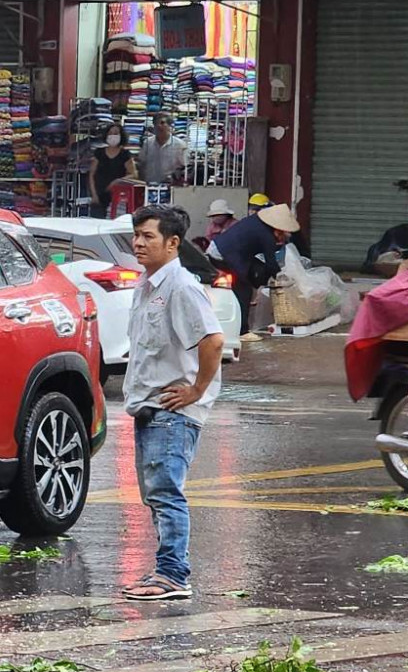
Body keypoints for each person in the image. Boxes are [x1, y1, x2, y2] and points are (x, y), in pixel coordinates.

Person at [121, 204, 223, 601]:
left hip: (172, 411)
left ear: (173, 242)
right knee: (156, 494)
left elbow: (213, 341)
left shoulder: (181, 287)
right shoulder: (146, 287)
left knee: (166, 492)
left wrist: (196, 391)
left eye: (148, 236)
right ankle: (166, 571)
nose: (138, 243)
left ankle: (173, 575)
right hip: (149, 406)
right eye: (137, 235)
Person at [216, 202, 298, 341]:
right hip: (223, 255)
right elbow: (271, 263)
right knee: (244, 290)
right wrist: (280, 278)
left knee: (256, 272)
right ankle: (242, 331)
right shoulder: (266, 235)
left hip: (228, 251)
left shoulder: (256, 222)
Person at [90, 122, 138, 214]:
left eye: (116, 133)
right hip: (98, 195)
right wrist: (94, 195)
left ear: (121, 136)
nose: (113, 136)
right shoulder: (99, 152)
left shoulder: (125, 154)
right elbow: (92, 174)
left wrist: (117, 181)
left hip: (117, 195)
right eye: (110, 133)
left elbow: (134, 174)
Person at [139, 116, 185, 187]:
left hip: (171, 186)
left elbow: (184, 167)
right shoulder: (147, 143)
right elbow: (142, 164)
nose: (159, 125)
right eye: (156, 123)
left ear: (170, 126)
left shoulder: (180, 145)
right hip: (149, 185)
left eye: (162, 123)